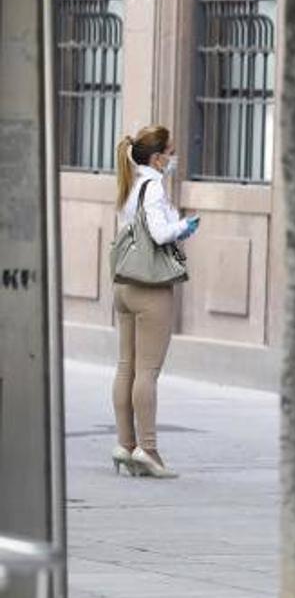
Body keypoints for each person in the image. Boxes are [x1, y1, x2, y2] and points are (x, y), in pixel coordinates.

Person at [109, 126, 198, 479]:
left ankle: (124, 445)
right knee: (147, 372)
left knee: (125, 366)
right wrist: (185, 227)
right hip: (150, 288)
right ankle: (148, 450)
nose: (173, 159)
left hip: (124, 286)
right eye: (171, 152)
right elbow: (160, 234)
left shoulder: (128, 181)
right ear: (158, 156)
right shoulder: (153, 185)